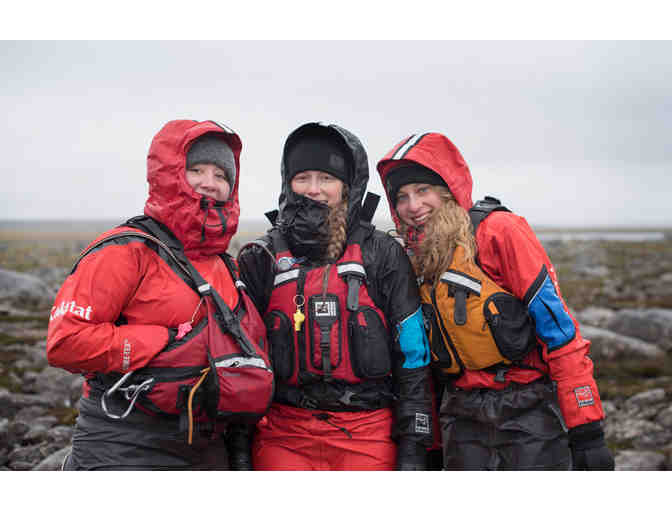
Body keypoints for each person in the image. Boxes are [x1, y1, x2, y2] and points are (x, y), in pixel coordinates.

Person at [376, 132, 615, 470]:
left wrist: (586, 430)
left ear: (448, 189)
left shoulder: (499, 232)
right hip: (460, 416)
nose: (413, 206)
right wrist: (431, 443)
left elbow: (560, 333)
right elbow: (422, 363)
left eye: (423, 190)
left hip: (528, 409)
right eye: (402, 196)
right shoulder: (413, 259)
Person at [47, 119, 269, 470]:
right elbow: (65, 341)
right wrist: (159, 342)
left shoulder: (227, 267)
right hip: (123, 440)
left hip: (207, 446)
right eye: (197, 170)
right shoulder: (125, 251)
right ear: (169, 174)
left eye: (221, 175)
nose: (210, 182)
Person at [237, 122, 434, 470]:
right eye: (303, 178)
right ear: (287, 183)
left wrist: (414, 452)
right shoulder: (260, 257)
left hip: (369, 433)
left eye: (326, 178)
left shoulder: (383, 254)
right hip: (283, 434)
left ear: (347, 185)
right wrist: (239, 453)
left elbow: (413, 356)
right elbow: (242, 360)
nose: (314, 189)